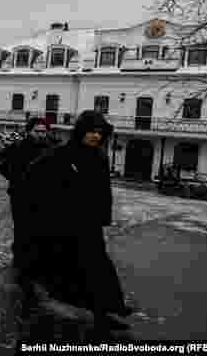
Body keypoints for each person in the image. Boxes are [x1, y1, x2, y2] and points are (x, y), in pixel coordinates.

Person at [28, 110, 132, 334]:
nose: (95, 136)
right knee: (74, 270)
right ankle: (94, 312)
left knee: (98, 268)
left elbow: (104, 192)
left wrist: (104, 218)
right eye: (91, 131)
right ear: (81, 132)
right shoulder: (63, 154)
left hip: (89, 225)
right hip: (64, 225)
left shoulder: (100, 157)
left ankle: (108, 310)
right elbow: (33, 175)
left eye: (99, 132)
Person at [0, 117, 54, 306]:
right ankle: (22, 267)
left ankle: (36, 264)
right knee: (23, 230)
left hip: (45, 199)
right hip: (21, 198)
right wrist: (18, 180)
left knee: (41, 231)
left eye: (43, 131)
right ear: (29, 131)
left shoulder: (51, 149)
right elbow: (3, 166)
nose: (40, 134)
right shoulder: (18, 148)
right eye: (37, 131)